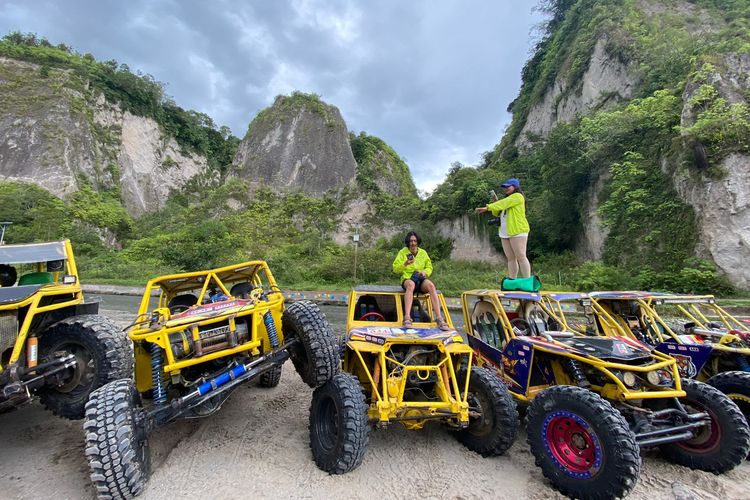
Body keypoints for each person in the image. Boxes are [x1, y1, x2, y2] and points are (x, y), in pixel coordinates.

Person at [392, 231, 451, 330]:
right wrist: (405, 263)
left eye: (415, 241)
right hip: (408, 279)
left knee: (431, 286)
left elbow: (429, 267)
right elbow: (395, 269)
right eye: (411, 241)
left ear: (417, 242)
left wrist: (424, 272)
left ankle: (439, 318)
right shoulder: (402, 252)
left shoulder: (423, 253)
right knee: (410, 285)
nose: (413, 243)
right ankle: (407, 317)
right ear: (408, 242)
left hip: (420, 279)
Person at [475, 178, 531, 278]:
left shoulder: (518, 196)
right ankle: (512, 280)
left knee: (521, 256)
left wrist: (487, 207)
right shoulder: (507, 200)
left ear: (515, 187)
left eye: (508, 186)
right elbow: (497, 212)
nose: (506, 189)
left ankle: (528, 281)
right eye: (505, 187)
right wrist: (495, 204)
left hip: (517, 230)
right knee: (510, 258)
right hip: (505, 231)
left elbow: (503, 204)